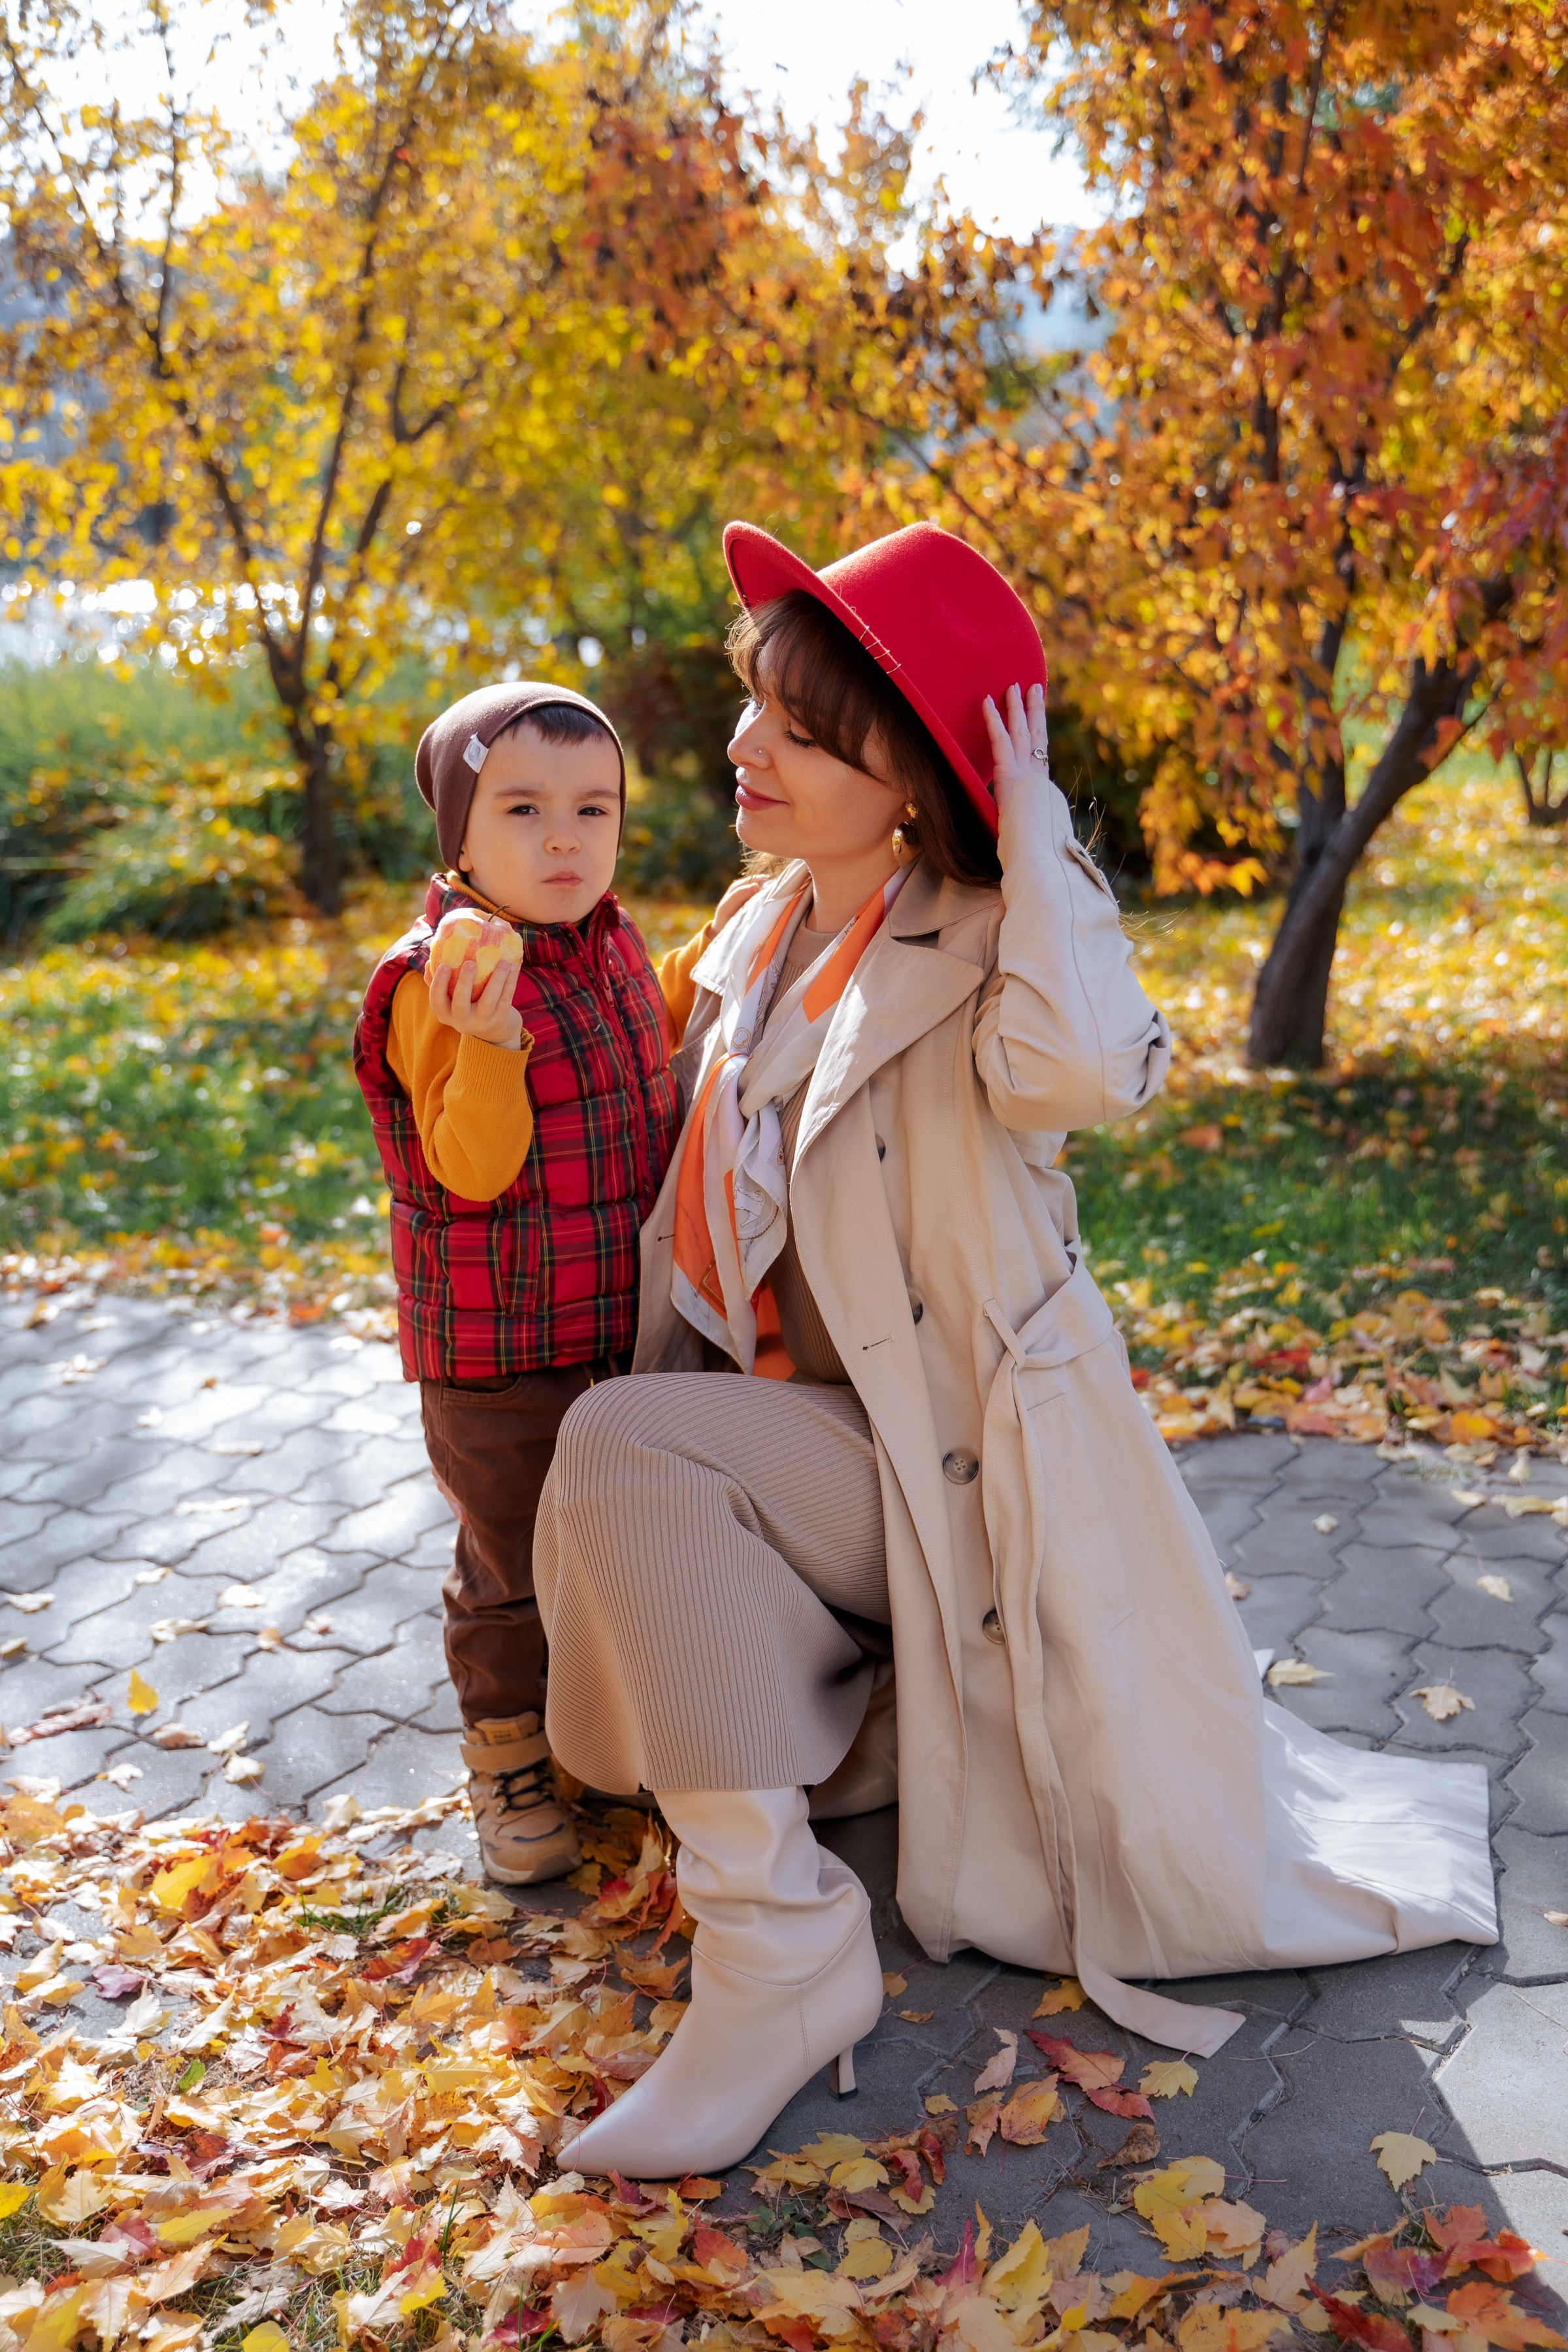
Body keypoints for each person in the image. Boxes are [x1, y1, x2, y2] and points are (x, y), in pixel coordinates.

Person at [532, 520, 1498, 2180]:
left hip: (949, 1461)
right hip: (812, 1444)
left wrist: (1037, 839)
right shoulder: (763, 936)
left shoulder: (994, 947)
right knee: (631, 1438)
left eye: (804, 732)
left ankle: (778, 1962)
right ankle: (772, 1900)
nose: (746, 747)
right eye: (755, 706)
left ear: (910, 777)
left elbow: (1088, 1072)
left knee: (627, 1441)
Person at [353, 683, 719, 1887]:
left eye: (592, 808)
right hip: (499, 1350)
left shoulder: (605, 935)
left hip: (619, 1323)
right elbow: (471, 1166)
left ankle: (615, 1742)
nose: (566, 838)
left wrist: (690, 981)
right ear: (459, 836)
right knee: (512, 1563)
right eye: (524, 809)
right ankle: (509, 1754)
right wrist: (493, 1042)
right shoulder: (438, 983)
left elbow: (636, 1058)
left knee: (621, 1545)